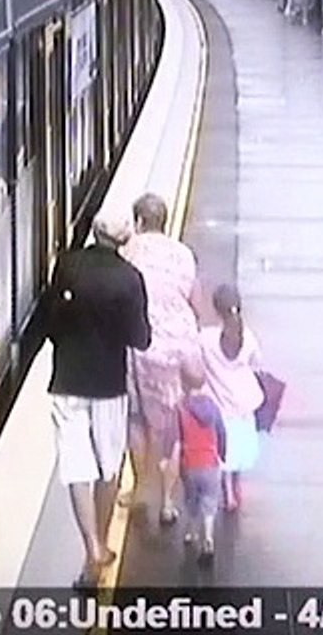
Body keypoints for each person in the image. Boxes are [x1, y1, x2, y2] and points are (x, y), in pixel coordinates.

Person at [43, 217, 150, 589]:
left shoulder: (68, 265)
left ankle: (91, 547)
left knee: (76, 468)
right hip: (109, 386)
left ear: (94, 232)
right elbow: (141, 338)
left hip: (67, 380)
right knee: (108, 466)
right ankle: (101, 545)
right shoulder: (129, 278)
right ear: (125, 238)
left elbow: (51, 323)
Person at [119, 193, 202, 524]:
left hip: (139, 346)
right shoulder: (183, 254)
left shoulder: (128, 251)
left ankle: (140, 490)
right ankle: (167, 502)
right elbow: (194, 302)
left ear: (139, 221)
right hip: (177, 348)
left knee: (136, 419)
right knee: (171, 427)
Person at [199, 283, 264, 511]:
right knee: (241, 448)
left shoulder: (206, 338)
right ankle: (237, 486)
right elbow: (257, 362)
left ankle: (227, 492)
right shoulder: (248, 337)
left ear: (216, 309)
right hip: (243, 403)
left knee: (225, 448)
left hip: (219, 403)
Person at [174, 351, 226, 563]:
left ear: (183, 383)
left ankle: (191, 531)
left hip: (190, 464)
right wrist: (222, 453)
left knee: (192, 500)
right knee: (210, 502)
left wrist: (171, 459)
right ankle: (209, 538)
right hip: (210, 462)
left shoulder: (181, 408)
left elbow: (176, 436)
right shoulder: (212, 407)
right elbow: (221, 432)